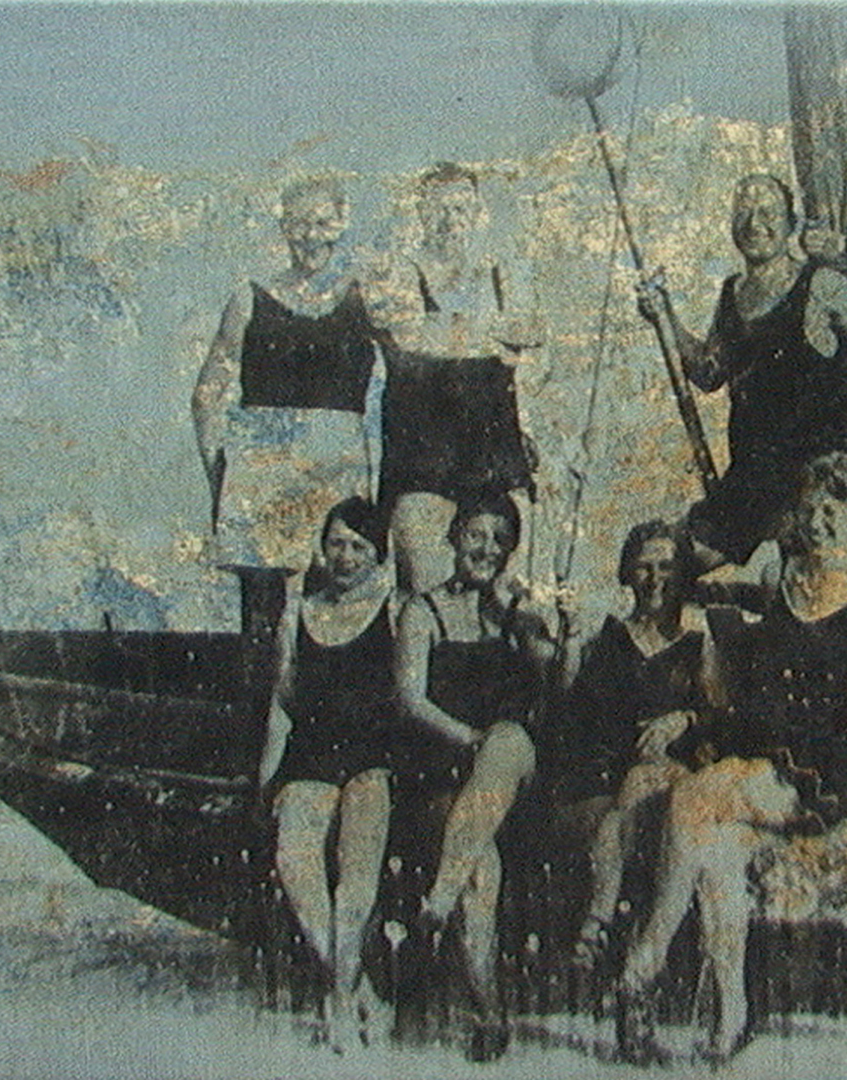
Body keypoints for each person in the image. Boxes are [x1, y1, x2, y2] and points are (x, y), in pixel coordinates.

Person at [615, 453, 847, 1062]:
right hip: (767, 750)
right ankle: (731, 1018)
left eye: (832, 509)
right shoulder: (785, 578)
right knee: (716, 851)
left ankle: (643, 965)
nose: (818, 522)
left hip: (825, 773)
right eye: (808, 509)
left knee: (693, 798)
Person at [192, 176, 383, 736]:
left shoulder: (365, 297)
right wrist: (221, 478)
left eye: (323, 222)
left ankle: (325, 748)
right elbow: (206, 395)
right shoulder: (249, 297)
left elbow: (413, 371)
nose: (311, 235)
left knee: (334, 611)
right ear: (282, 227)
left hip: (335, 472)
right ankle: (255, 753)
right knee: (263, 622)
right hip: (265, 477)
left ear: (342, 226)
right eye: (300, 223)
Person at [392, 490, 571, 1060]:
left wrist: (538, 623)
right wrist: (471, 740)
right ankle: (488, 1010)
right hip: (446, 774)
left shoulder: (514, 613)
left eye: (499, 540)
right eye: (475, 535)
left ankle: (436, 904)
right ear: (453, 538)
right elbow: (410, 700)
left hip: (515, 777)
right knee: (480, 867)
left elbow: (555, 674)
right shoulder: (422, 612)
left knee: (509, 738)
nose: (487, 548)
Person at [638, 173, 847, 569]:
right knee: (678, 562)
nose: (754, 223)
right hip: (751, 477)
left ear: (791, 224)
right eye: (743, 213)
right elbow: (709, 372)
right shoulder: (734, 292)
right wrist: (665, 316)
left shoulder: (822, 282)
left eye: (768, 213)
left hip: (814, 480)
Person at [542, 520, 725, 968]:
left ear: (682, 574)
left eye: (666, 567)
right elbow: (567, 708)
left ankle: (597, 922)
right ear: (626, 573)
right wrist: (570, 643)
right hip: (603, 782)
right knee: (620, 805)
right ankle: (612, 939)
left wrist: (683, 719)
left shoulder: (697, 644)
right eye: (643, 567)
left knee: (646, 780)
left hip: (669, 784)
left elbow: (719, 717)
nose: (655, 578)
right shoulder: (608, 638)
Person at [259, 498, 399, 1050]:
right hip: (312, 756)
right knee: (293, 859)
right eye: (336, 543)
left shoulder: (393, 609)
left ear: (378, 555)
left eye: (359, 546)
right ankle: (352, 986)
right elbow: (283, 703)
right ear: (322, 548)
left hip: (372, 759)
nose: (345, 556)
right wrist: (266, 779)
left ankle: (337, 998)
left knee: (357, 879)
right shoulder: (298, 613)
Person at [374, 163, 542, 597]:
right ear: (421, 212)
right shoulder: (401, 270)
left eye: (461, 208)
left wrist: (447, 332)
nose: (451, 220)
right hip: (424, 449)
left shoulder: (498, 271)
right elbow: (407, 338)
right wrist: (492, 335)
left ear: (476, 212)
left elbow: (532, 329)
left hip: (495, 447)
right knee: (425, 589)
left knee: (508, 591)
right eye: (440, 209)